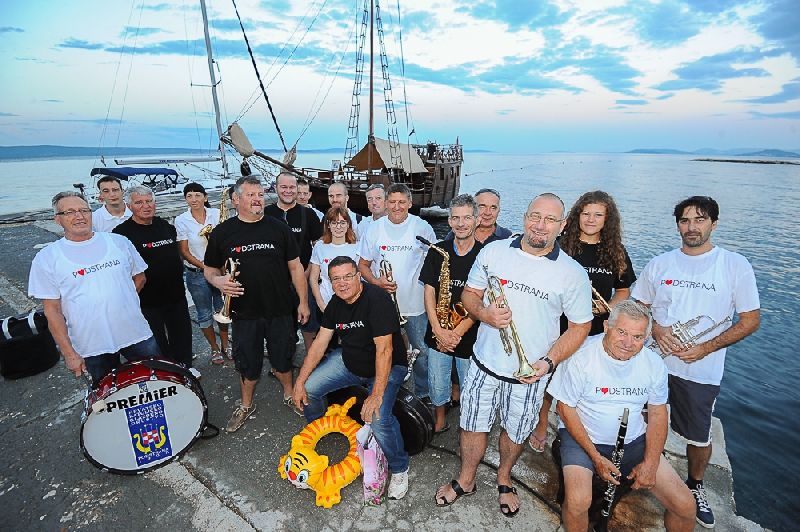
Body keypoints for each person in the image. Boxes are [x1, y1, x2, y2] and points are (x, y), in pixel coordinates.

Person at [434, 193, 592, 517]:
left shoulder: (572, 273)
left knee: (516, 432)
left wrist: (549, 362)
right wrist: (484, 313)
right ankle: (466, 479)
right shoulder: (494, 251)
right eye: (535, 216)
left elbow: (580, 327)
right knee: (472, 426)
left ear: (562, 225)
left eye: (550, 219)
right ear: (524, 217)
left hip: (530, 374)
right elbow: (470, 293)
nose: (540, 225)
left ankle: (504, 478)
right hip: (484, 364)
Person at [632, 196, 760, 529]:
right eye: (685, 220)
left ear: (713, 224)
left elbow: (750, 320)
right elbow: (638, 304)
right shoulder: (661, 263)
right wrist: (655, 328)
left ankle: (695, 484)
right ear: (678, 226)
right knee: (643, 417)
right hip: (653, 362)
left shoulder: (734, 265)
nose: (692, 227)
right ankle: (648, 465)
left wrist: (706, 348)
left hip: (699, 370)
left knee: (698, 435)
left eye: (700, 219)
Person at [548, 301, 696, 532]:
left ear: (647, 337)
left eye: (637, 337)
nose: (628, 343)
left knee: (685, 506)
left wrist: (651, 462)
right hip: (583, 438)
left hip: (633, 441)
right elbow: (564, 410)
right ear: (607, 326)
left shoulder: (653, 363)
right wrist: (596, 457)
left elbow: (658, 413)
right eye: (622, 332)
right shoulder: (581, 355)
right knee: (578, 501)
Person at [292, 256, 411, 500]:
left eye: (348, 276)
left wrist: (376, 394)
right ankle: (320, 427)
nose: (342, 283)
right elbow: (319, 344)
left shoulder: (377, 300)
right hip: (350, 362)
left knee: (378, 418)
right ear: (330, 282)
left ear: (359, 276)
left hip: (387, 367)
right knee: (310, 388)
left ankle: (400, 468)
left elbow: (385, 350)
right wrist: (300, 381)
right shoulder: (335, 304)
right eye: (336, 279)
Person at [530, 190, 636, 451]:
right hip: (558, 326)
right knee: (547, 380)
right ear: (576, 216)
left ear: (607, 219)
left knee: (583, 385)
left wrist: (606, 308)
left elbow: (623, 290)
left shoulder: (615, 251)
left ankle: (577, 432)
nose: (590, 219)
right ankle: (541, 424)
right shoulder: (560, 245)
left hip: (594, 331)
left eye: (598, 215)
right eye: (586, 213)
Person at [204, 176, 310, 432]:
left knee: (283, 358)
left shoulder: (279, 228)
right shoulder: (222, 232)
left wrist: (303, 303)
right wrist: (218, 281)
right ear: (236, 199)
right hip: (244, 312)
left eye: (260, 195)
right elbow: (210, 269)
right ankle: (246, 404)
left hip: (280, 309)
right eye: (251, 195)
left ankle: (289, 395)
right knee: (247, 362)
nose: (257, 200)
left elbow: (296, 267)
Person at [28, 191, 160, 383]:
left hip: (136, 333)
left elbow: (139, 278)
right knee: (107, 394)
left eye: (84, 210)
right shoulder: (46, 258)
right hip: (91, 346)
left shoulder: (118, 242)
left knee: (157, 382)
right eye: (70, 212)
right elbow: (52, 311)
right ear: (58, 219)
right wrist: (69, 354)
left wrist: (122, 302)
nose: (79, 216)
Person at [357, 183, 437, 400]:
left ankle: (423, 393)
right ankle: (383, 391)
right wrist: (376, 282)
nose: (397, 206)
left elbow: (434, 262)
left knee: (421, 352)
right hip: (382, 304)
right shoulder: (374, 229)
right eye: (392, 202)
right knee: (382, 349)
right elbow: (363, 265)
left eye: (402, 202)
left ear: (410, 203)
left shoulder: (422, 227)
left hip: (414, 303)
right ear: (386, 203)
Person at [113, 186, 197, 377]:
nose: (146, 206)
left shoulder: (163, 225)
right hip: (147, 301)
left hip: (176, 295)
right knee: (157, 341)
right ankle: (166, 373)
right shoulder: (121, 234)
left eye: (149, 201)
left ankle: (185, 367)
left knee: (182, 335)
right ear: (129, 206)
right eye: (139, 202)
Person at [418, 194, 482, 434]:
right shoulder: (438, 250)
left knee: (469, 386)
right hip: (439, 331)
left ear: (476, 220)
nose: (461, 223)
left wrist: (454, 334)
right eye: (456, 218)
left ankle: (468, 427)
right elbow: (429, 291)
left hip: (469, 335)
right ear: (449, 220)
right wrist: (437, 329)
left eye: (467, 217)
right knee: (437, 381)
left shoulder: (485, 255)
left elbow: (483, 301)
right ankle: (440, 419)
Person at [265, 172, 324, 353]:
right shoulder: (266, 214)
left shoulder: (309, 214)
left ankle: (311, 361)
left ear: (297, 189)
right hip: (275, 282)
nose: (288, 191)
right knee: (279, 326)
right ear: (276, 188)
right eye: (284, 187)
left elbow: (319, 248)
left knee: (308, 324)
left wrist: (307, 273)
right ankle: (281, 361)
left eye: (292, 187)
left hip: (303, 279)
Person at [174, 182, 229, 364]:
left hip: (220, 271)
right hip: (197, 273)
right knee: (204, 313)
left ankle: (225, 344)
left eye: (197, 195)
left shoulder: (216, 214)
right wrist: (206, 268)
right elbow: (184, 252)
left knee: (223, 309)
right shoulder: (181, 220)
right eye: (189, 196)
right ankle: (214, 349)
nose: (194, 199)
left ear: (205, 197)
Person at [309, 207, 359, 312]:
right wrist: (320, 303)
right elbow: (313, 278)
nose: (338, 227)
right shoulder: (319, 247)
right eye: (334, 223)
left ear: (348, 224)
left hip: (352, 305)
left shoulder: (358, 247)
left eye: (342, 223)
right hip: (326, 304)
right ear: (328, 224)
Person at [446, 188, 512, 244]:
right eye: (482, 206)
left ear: (498, 210)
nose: (488, 213)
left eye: (493, 208)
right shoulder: (456, 234)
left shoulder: (506, 237)